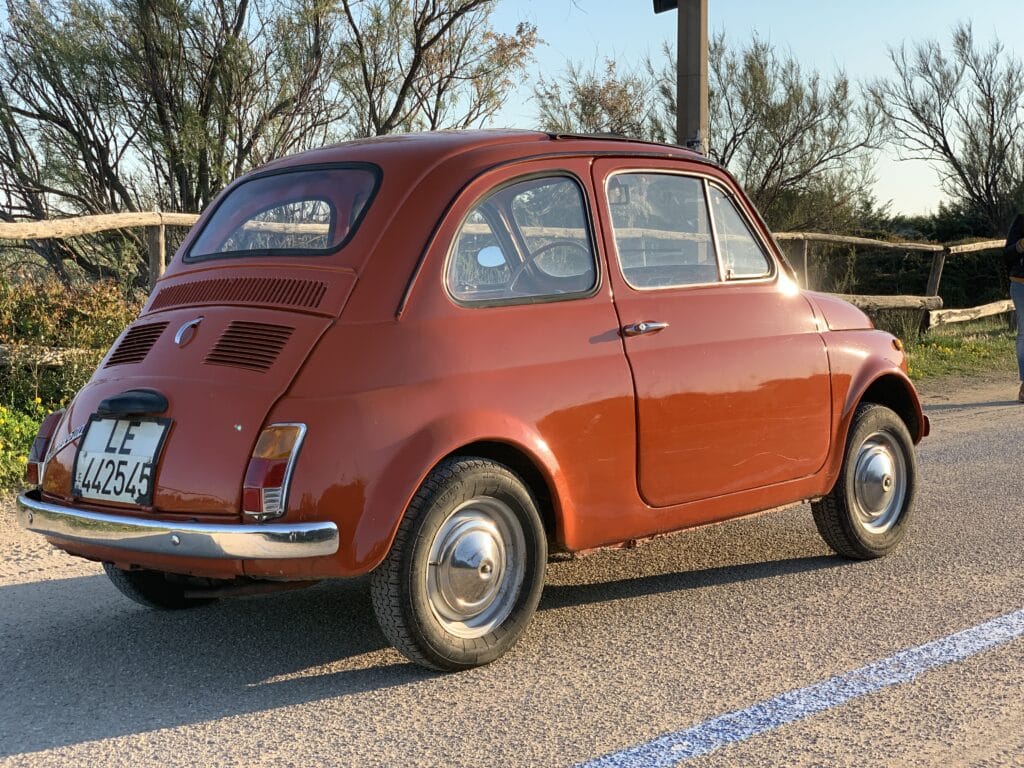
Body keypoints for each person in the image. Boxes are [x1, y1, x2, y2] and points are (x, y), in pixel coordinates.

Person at [1006, 212, 1024, 402]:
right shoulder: (1021, 219)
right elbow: (1007, 252)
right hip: (1021, 284)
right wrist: (1020, 245)